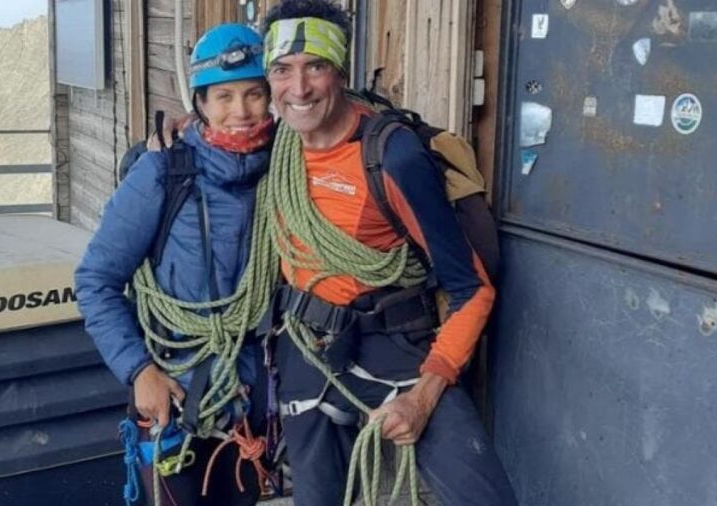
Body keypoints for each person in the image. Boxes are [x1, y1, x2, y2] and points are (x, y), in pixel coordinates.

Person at [259, 1, 518, 504]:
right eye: (282, 70)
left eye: (316, 66)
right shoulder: (275, 144)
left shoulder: (391, 156)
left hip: (398, 348)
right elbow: (215, 137)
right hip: (308, 344)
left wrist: (423, 398)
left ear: (341, 71)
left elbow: (472, 290)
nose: (300, 88)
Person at [75, 23, 279, 506]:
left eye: (254, 93)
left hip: (249, 397)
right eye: (223, 96)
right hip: (171, 393)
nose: (241, 111)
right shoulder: (163, 173)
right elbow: (96, 280)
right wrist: (139, 370)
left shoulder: (285, 168)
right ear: (201, 104)